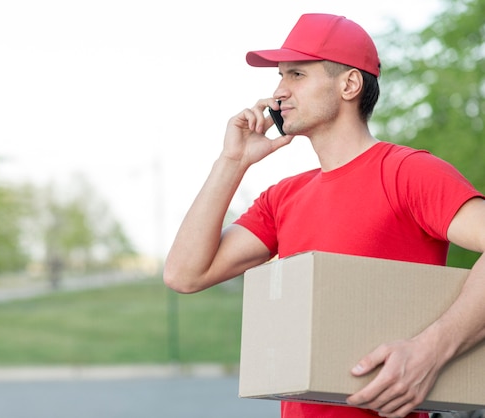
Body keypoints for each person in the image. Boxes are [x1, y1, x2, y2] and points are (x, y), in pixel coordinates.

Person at [163, 13, 485, 418]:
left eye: (296, 74)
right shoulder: (283, 197)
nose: (278, 92)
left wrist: (431, 351)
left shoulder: (407, 172)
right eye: (280, 76)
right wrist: (232, 161)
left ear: (349, 84)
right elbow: (184, 274)